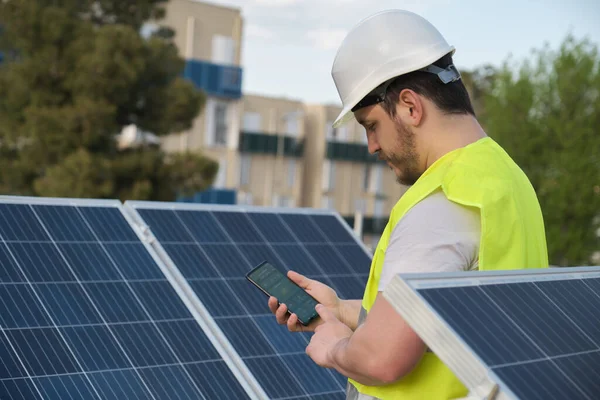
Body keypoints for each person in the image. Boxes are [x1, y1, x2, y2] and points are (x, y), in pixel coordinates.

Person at [268, 9, 549, 400]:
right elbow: (445, 322)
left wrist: (333, 345)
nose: (371, 146)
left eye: (371, 125)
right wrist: (338, 310)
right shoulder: (505, 177)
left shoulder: (443, 200)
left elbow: (382, 358)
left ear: (410, 107)